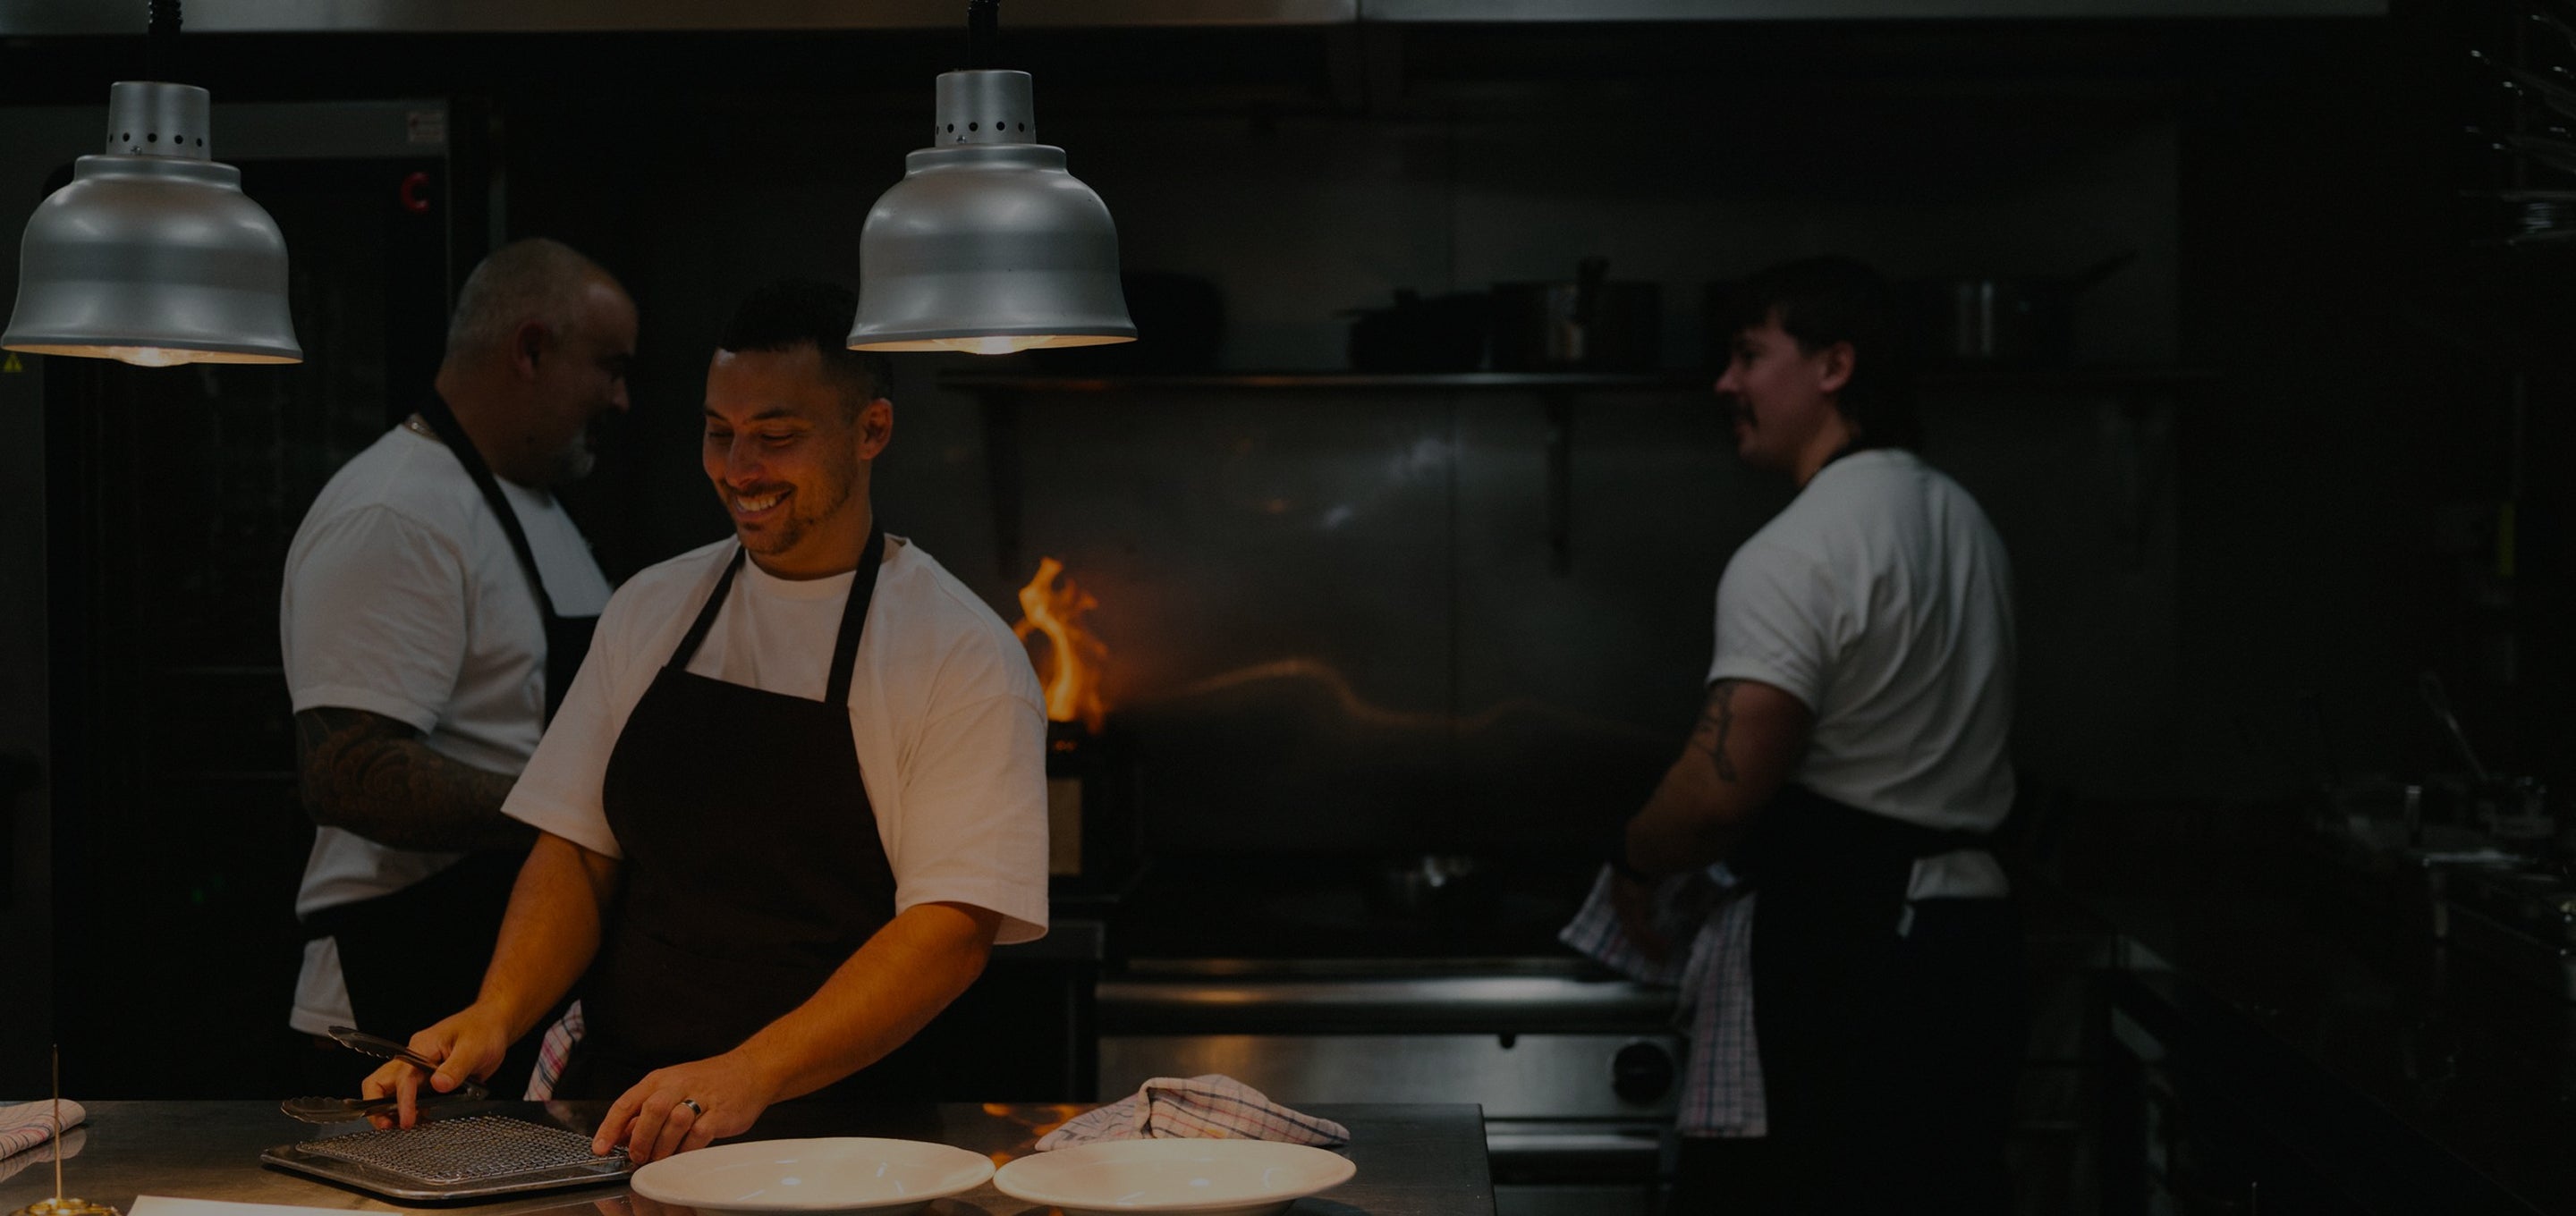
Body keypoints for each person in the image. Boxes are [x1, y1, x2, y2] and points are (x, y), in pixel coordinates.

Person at [361, 278, 1050, 1165]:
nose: (737, 468)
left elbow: (949, 933)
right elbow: (579, 847)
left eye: (776, 435)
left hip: (845, 1138)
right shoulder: (654, 607)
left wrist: (748, 1071)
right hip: (622, 1120)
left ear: (871, 430)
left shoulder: (960, 654)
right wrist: (496, 1011)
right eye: (718, 432)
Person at [1611, 256, 2023, 1213]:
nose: (1727, 383)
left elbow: (1719, 793)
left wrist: (1633, 857)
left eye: (1750, 355)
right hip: (1975, 934)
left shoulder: (1798, 549)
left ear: (1834, 366)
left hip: (1856, 954)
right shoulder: (1962, 518)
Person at [283, 238, 635, 1092]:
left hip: (498, 957)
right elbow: (349, 769)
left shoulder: (530, 501)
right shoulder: (396, 511)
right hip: (402, 982)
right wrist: (587, 821)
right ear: (531, 348)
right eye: (609, 366)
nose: (623, 399)